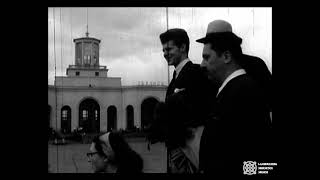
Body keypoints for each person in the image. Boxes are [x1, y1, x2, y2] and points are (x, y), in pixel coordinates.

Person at [196, 20, 273, 175]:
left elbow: (266, 163)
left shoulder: (245, 92)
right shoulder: (231, 90)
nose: (202, 65)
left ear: (226, 56)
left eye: (206, 57)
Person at [157, 28, 218, 173]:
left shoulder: (197, 73)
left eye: (169, 49)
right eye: (163, 50)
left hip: (192, 155)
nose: (165, 54)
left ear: (183, 47)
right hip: (177, 156)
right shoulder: (174, 80)